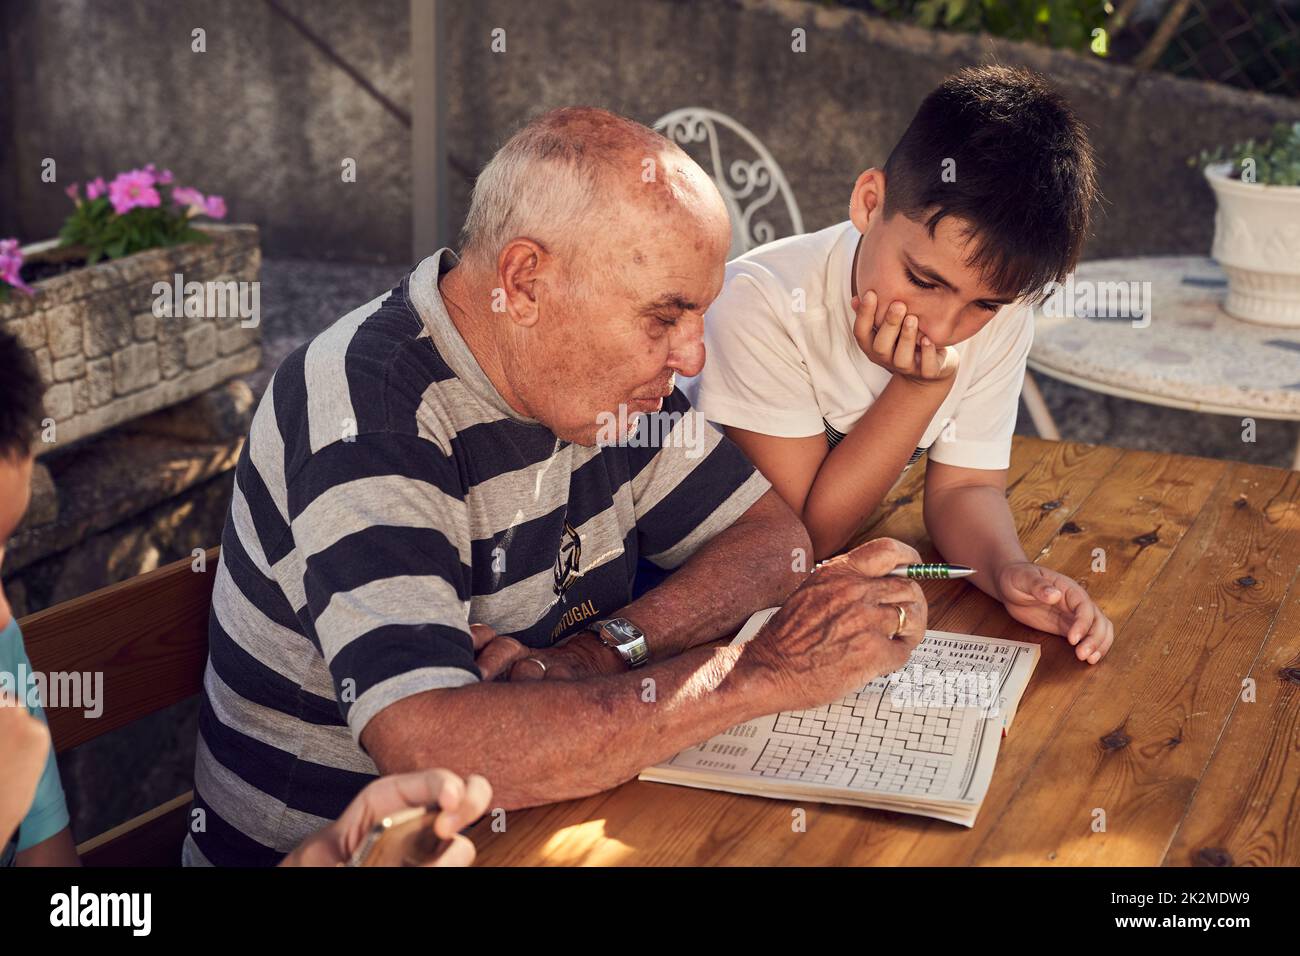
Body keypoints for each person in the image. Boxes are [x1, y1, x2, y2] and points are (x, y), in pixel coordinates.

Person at [186, 106, 930, 866]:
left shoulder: (592, 382)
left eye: (698, 315)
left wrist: (600, 653)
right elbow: (435, 754)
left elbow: (773, 540)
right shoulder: (368, 416)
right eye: (665, 316)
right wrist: (761, 673)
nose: (693, 357)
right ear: (526, 281)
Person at [686, 66, 1114, 666]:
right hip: (690, 596)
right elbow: (802, 539)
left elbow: (965, 485)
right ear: (869, 202)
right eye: (923, 280)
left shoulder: (1000, 311)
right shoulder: (760, 304)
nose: (941, 328)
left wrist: (1007, 570)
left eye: (984, 305)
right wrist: (916, 391)